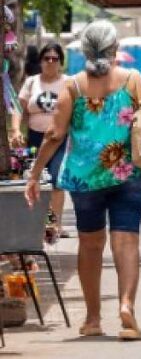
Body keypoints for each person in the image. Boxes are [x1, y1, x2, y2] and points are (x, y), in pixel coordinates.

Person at [25, 21, 141, 340]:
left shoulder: (74, 86)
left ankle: (93, 319)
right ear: (113, 48)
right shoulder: (133, 80)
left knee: (90, 244)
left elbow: (54, 134)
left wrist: (35, 174)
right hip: (129, 174)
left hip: (85, 179)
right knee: (127, 239)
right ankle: (127, 305)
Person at [12, 42, 71, 236]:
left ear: (60, 62)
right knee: (35, 179)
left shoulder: (67, 83)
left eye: (55, 59)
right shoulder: (31, 82)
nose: (51, 62)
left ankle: (55, 224)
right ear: (41, 61)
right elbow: (18, 107)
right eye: (47, 58)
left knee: (55, 180)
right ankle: (39, 222)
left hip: (60, 138)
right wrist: (15, 130)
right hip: (35, 138)